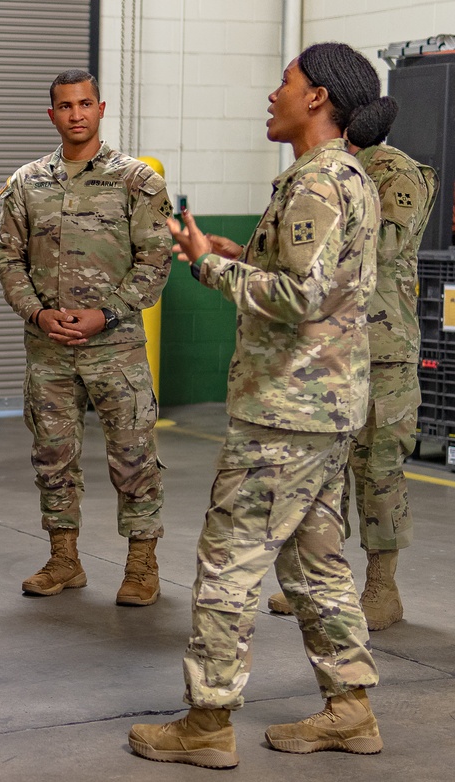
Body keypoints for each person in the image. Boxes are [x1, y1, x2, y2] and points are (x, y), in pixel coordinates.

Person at [128, 43, 390, 768]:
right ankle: (350, 708)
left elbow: (301, 298)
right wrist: (236, 252)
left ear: (318, 99)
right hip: (323, 410)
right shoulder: (341, 177)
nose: (272, 95)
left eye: (286, 82)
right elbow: (314, 278)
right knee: (315, 567)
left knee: (227, 564)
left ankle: (208, 721)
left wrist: (207, 269)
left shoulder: (316, 183)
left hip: (286, 413)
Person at [0, 69, 171, 605]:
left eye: (85, 104)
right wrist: (35, 314)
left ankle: (142, 564)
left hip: (114, 347)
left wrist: (107, 313)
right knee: (53, 455)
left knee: (133, 453)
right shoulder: (26, 183)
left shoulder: (138, 181)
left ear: (100, 109)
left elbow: (156, 260)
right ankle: (64, 559)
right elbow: (8, 258)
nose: (76, 113)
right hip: (48, 349)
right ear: (52, 114)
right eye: (65, 106)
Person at [268, 121, 438, 630]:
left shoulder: (395, 171)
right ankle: (325, 587)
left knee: (378, 469)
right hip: (329, 346)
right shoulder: (328, 170)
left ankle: (383, 590)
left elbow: (383, 245)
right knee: (323, 472)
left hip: (383, 350)